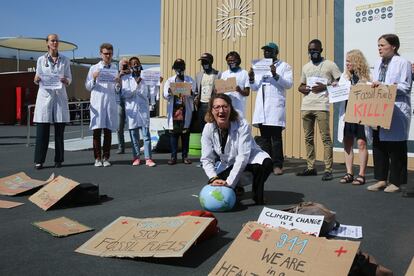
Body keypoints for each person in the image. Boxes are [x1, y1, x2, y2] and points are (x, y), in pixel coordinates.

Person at [201, 94, 272, 205]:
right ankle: (237, 188)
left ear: (230, 108)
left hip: (250, 159)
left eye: (225, 106)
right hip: (228, 164)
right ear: (211, 111)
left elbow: (242, 157)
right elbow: (206, 158)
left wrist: (229, 183)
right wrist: (213, 178)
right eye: (217, 107)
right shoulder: (208, 128)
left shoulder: (242, 125)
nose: (221, 110)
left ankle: (257, 196)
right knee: (216, 184)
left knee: (266, 163)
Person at [366, 34, 412, 193]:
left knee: (396, 146)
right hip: (379, 108)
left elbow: (405, 87)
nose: (379, 48)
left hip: (396, 108)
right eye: (378, 45)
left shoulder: (403, 63)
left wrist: (384, 86)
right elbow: (374, 82)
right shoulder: (377, 63)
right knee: (379, 144)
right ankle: (381, 179)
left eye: (383, 45)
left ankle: (396, 182)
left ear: (394, 46)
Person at [297, 39, 342, 181]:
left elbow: (341, 82)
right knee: (308, 138)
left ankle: (328, 169)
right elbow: (301, 85)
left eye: (315, 50)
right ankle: (311, 167)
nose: (313, 52)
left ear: (321, 50)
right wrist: (301, 88)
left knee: (325, 138)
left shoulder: (330, 65)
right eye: (310, 50)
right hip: (306, 106)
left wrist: (326, 87)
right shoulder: (306, 67)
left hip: (322, 106)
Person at [249, 42, 293, 175]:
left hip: (275, 107)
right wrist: (251, 79)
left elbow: (289, 84)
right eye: (265, 51)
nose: (266, 53)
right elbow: (255, 87)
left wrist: (275, 75)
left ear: (276, 53)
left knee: (276, 138)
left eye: (269, 51)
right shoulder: (260, 66)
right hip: (262, 108)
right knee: (265, 138)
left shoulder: (284, 66)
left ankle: (278, 165)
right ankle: (267, 163)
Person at [33, 33, 72, 169]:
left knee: (59, 133)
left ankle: (59, 159)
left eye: (57, 41)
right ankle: (39, 160)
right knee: (42, 132)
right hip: (45, 97)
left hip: (59, 97)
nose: (55, 43)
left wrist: (65, 80)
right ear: (47, 43)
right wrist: (36, 79)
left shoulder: (65, 60)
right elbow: (36, 76)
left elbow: (69, 78)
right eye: (52, 40)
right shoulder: (40, 60)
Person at [336, 49, 372, 185]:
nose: (347, 64)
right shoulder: (344, 77)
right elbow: (339, 92)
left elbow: (370, 91)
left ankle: (362, 174)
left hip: (361, 114)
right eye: (346, 61)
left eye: (349, 61)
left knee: (361, 143)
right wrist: (335, 88)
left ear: (357, 61)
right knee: (348, 143)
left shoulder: (367, 76)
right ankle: (349, 172)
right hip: (347, 114)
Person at [85, 43, 118, 167]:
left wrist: (118, 82)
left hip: (109, 103)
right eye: (105, 54)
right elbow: (87, 87)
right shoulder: (94, 68)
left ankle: (106, 157)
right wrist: (93, 78)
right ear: (101, 54)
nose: (108, 56)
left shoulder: (114, 68)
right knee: (97, 131)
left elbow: (117, 89)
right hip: (98, 103)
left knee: (108, 131)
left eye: (110, 53)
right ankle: (97, 158)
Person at [122, 57, 156, 167]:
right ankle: (136, 157)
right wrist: (136, 84)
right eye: (133, 64)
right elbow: (125, 94)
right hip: (131, 110)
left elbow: (151, 92)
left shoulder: (146, 77)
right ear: (130, 67)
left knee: (146, 135)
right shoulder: (126, 79)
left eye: (137, 64)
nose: (136, 66)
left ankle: (148, 158)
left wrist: (156, 82)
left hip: (143, 109)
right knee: (134, 135)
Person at [163, 58, 196, 165]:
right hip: (174, 110)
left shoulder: (190, 80)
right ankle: (173, 157)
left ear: (184, 68)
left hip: (185, 109)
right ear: (174, 69)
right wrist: (169, 92)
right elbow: (165, 95)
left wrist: (190, 92)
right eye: (177, 67)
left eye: (181, 67)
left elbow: (195, 94)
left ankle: (185, 156)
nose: (179, 70)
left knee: (185, 133)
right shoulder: (170, 81)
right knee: (174, 134)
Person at [194, 53, 221, 131]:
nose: (204, 64)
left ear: (211, 62)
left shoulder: (218, 74)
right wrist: (195, 98)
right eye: (202, 62)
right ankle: (204, 143)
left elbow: (220, 90)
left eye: (206, 62)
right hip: (201, 105)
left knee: (213, 126)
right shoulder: (198, 75)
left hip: (212, 104)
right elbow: (196, 90)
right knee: (202, 128)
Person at [220, 51, 250, 117]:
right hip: (226, 107)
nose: (231, 62)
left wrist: (240, 90)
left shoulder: (244, 73)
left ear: (238, 60)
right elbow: (221, 92)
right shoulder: (224, 74)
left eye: (233, 60)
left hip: (239, 108)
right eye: (229, 61)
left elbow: (247, 93)